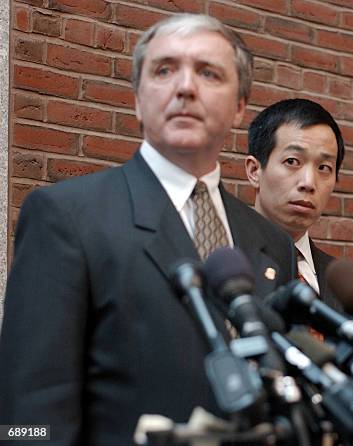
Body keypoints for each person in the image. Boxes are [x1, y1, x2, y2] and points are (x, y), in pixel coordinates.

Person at [0, 14, 294, 446]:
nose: (186, 87)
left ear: (239, 106)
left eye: (208, 73)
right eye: (164, 70)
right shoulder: (67, 216)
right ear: (138, 100)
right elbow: (28, 418)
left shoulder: (272, 243)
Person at [245, 98, 344, 307]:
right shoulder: (225, 263)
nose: (308, 182)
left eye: (324, 168)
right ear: (255, 171)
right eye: (292, 162)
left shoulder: (346, 284)